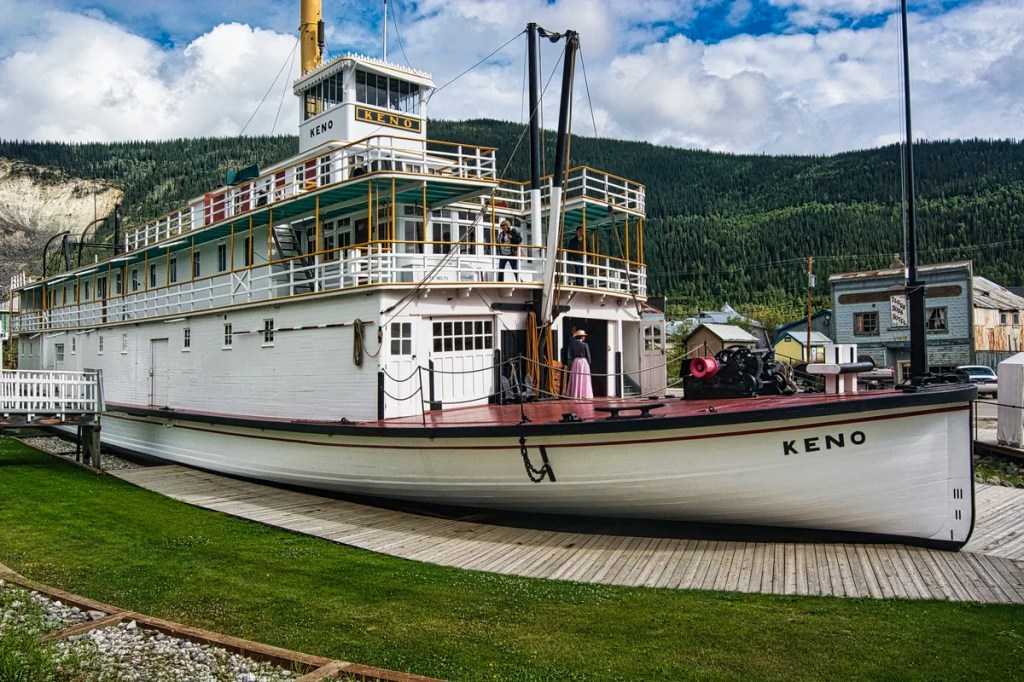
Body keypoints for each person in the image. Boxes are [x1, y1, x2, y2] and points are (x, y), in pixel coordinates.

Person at [566, 329, 593, 399]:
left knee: (576, 377)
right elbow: (588, 355)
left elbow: (571, 354)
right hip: (583, 362)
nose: (584, 337)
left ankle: (575, 393)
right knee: (584, 378)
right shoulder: (585, 345)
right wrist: (589, 363)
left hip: (575, 361)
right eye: (584, 336)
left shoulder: (572, 345)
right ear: (582, 337)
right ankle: (584, 394)